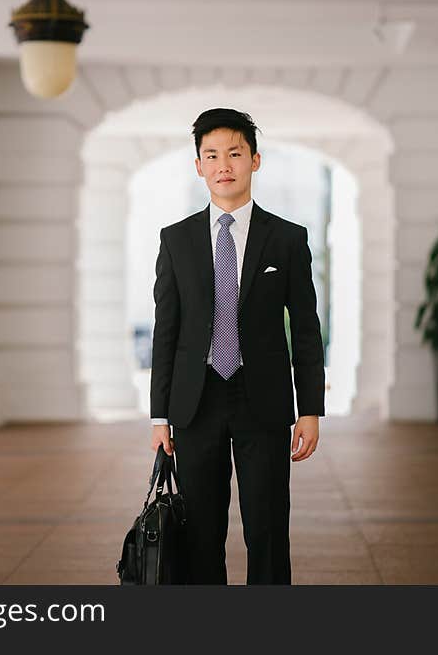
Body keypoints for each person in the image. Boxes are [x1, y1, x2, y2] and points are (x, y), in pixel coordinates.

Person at [149, 107, 325, 584]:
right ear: (199, 166)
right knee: (201, 533)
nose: (224, 164)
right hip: (195, 401)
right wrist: (159, 415)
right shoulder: (177, 240)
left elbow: (306, 330)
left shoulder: (287, 240)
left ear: (255, 160)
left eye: (235, 153)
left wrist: (310, 408)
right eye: (212, 155)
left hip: (263, 401)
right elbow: (166, 332)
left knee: (268, 529)